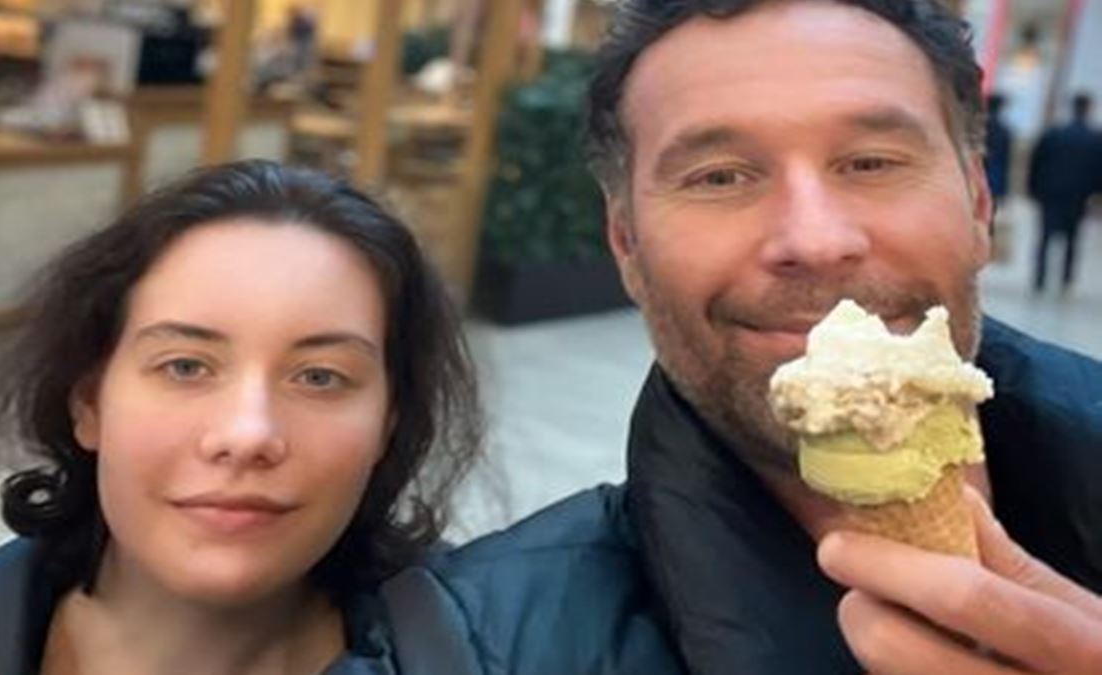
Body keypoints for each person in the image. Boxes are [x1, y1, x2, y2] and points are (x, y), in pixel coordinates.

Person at [411, 1, 1102, 673]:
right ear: (627, 246)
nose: (815, 241)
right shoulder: (466, 646)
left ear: (979, 205)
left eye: (871, 163)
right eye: (720, 177)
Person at [0, 160, 482, 675]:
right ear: (89, 402)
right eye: (185, 366)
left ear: (387, 424)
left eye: (319, 377)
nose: (247, 434)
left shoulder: (471, 647)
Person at [1028, 93, 1102, 293]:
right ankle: (1066, 279)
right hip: (1079, 196)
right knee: (1073, 238)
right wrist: (1096, 195)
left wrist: (1033, 189)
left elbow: (1036, 163)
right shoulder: (1095, 138)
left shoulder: (1054, 134)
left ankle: (1040, 278)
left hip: (1051, 193)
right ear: (1088, 109)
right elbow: (1099, 169)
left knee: (1045, 236)